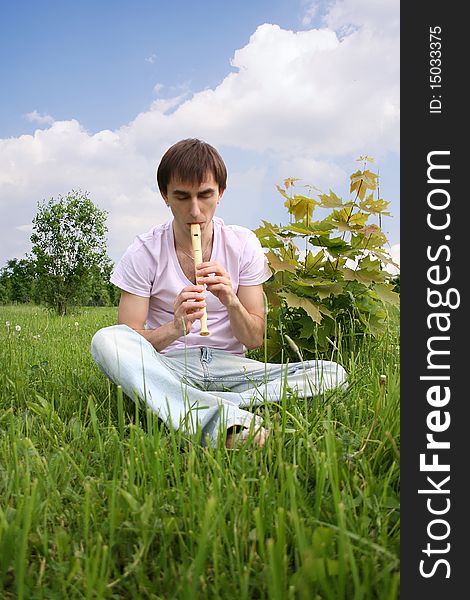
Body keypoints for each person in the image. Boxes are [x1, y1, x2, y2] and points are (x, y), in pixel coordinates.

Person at [90, 139, 347, 448]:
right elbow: (127, 337)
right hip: (171, 366)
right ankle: (223, 420)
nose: (195, 210)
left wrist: (232, 301)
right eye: (182, 197)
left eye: (205, 195)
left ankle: (191, 404)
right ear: (165, 197)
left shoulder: (242, 243)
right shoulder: (144, 250)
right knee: (107, 340)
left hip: (233, 367)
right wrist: (174, 329)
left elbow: (253, 339)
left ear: (220, 193)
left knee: (332, 374)